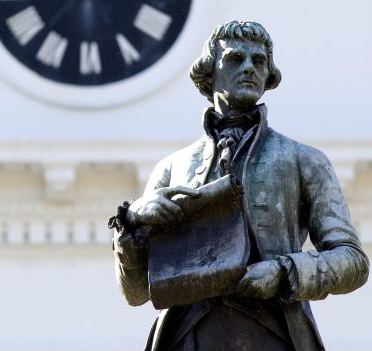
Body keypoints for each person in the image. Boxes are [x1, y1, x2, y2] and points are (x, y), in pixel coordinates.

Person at [110, 21, 369, 350]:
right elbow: (135, 292)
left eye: (258, 61)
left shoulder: (304, 160)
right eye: (235, 59)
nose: (249, 67)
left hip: (272, 335)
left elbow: (353, 261)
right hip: (186, 338)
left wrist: (284, 271)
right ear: (210, 71)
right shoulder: (171, 169)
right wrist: (131, 223)